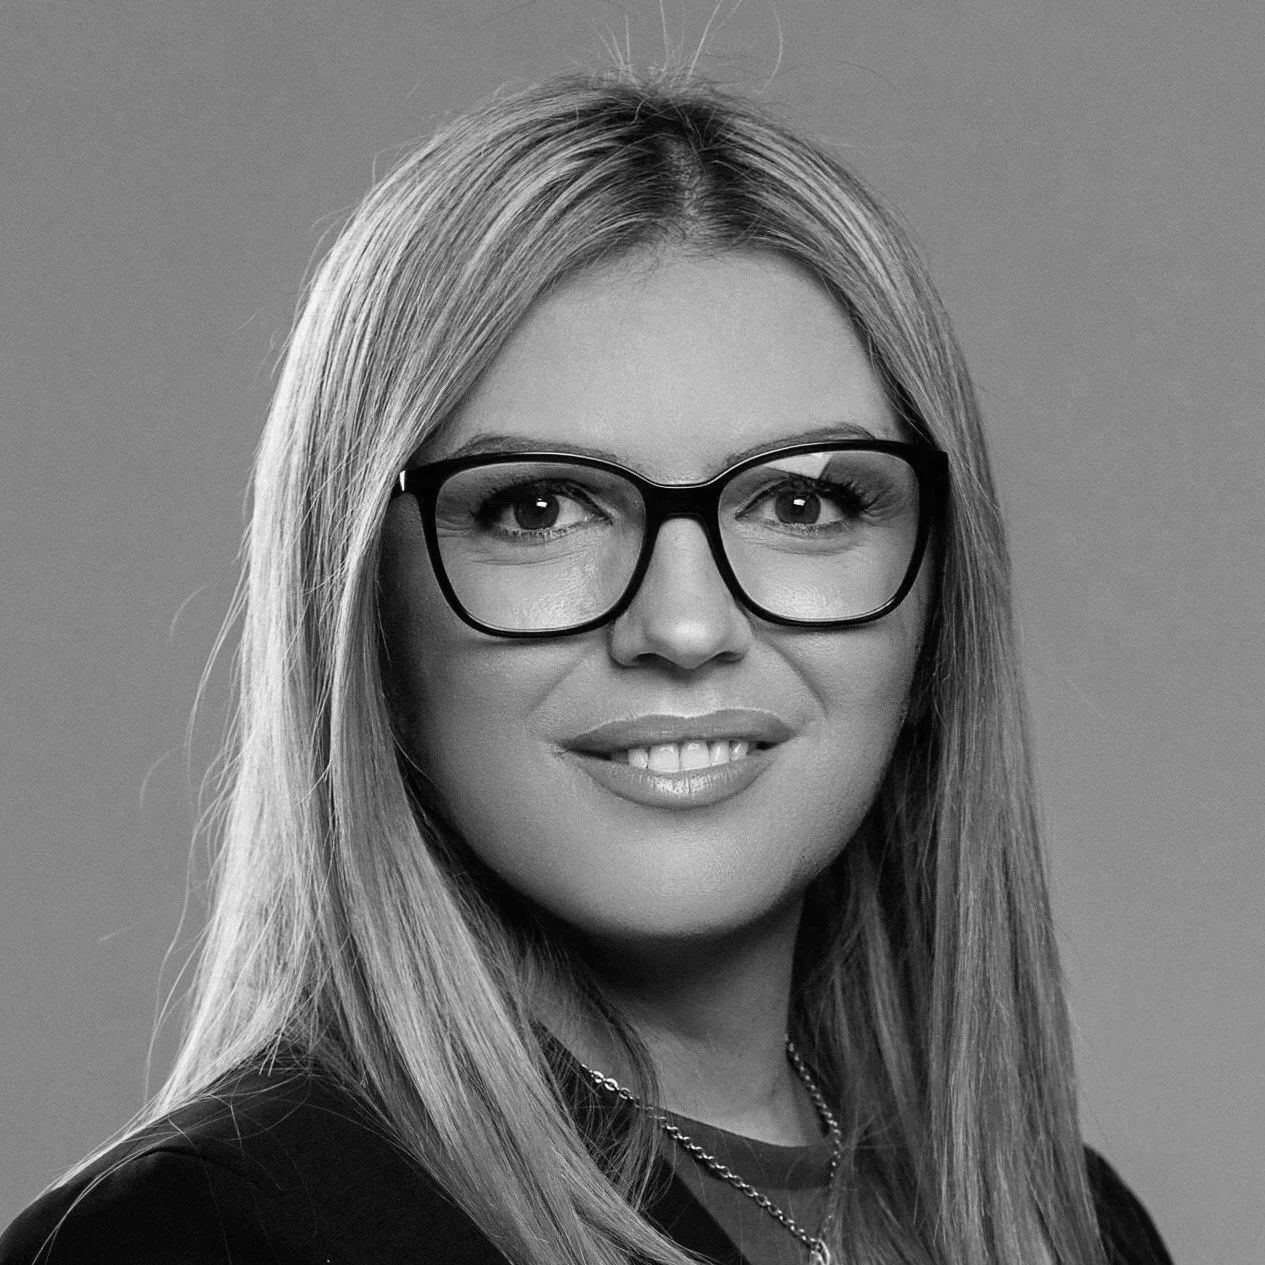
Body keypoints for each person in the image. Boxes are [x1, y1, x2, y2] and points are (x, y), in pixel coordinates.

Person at [0, 68, 1173, 1265]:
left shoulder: (1071, 1224)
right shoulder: (204, 1236)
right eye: (539, 507)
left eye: (803, 500)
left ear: (934, 599)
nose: (679, 624)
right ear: (363, 611)